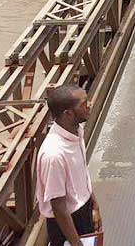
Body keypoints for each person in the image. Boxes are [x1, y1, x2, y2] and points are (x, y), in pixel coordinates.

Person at [37, 85, 101, 246]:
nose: (90, 104)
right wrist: (76, 243)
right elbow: (58, 206)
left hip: (84, 210)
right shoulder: (54, 155)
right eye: (83, 104)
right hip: (67, 223)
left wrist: (94, 204)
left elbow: (82, 173)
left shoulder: (76, 131)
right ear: (68, 113)